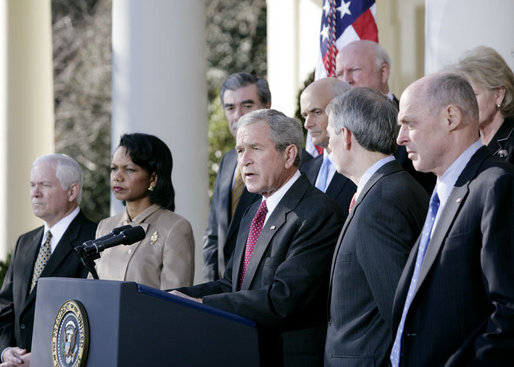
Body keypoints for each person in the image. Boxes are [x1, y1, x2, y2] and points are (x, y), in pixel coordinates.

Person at [173, 109, 344, 366]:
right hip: (245, 352)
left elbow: (284, 297)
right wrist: (174, 297)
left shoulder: (318, 213)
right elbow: (231, 284)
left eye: (255, 148)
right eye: (240, 150)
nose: (244, 160)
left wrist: (201, 303)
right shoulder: (254, 210)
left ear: (289, 155)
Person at [390, 73, 514, 367]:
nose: (401, 137)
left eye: (410, 123)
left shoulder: (496, 186)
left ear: (451, 117)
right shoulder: (444, 191)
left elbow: (508, 312)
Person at [324, 87, 428, 366]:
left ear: (346, 136)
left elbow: (399, 310)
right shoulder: (393, 187)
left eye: (330, 133)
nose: (326, 145)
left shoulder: (380, 202)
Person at [203, 72, 313, 282]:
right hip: (229, 286)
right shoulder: (228, 161)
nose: (238, 115)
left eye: (246, 105)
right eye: (230, 108)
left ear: (267, 105)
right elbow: (214, 233)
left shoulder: (299, 166)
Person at [0, 154, 97, 367]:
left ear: (72, 191)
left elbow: (92, 318)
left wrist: (42, 358)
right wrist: (7, 351)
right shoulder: (24, 242)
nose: (35, 193)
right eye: (32, 185)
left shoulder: (95, 238)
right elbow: (5, 307)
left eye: (44, 185)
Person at [93, 133, 194, 290]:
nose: (117, 177)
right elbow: (91, 288)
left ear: (153, 178)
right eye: (114, 168)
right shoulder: (105, 227)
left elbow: (175, 302)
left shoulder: (175, 228)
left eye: (130, 169)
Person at [336, 40, 436, 193]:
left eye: (354, 70)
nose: (346, 80)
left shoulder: (415, 120)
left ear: (383, 72)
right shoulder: (336, 128)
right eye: (339, 74)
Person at [300, 78, 356, 216]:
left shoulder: (360, 167)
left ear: (344, 110)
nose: (307, 124)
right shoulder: (305, 169)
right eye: (305, 115)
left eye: (316, 112)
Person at [453, 45, 514, 164]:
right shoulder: (464, 141)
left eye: (473, 95)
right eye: (463, 96)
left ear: (498, 95)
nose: (465, 104)